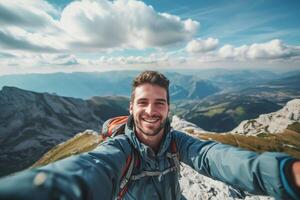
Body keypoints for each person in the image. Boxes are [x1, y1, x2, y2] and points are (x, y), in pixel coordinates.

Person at [0, 70, 299, 200]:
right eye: (142, 103)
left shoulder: (177, 142)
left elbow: (214, 158)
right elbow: (90, 171)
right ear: (130, 107)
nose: (151, 111)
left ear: (168, 108)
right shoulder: (120, 150)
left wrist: (286, 174)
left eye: (160, 103)